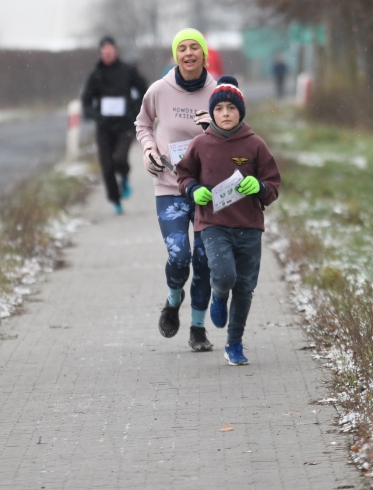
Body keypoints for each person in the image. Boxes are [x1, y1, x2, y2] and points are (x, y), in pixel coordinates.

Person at [176, 76, 281, 365]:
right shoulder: (200, 143)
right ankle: (219, 296)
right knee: (223, 276)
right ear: (212, 112)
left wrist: (259, 187)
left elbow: (273, 184)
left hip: (249, 226)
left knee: (245, 287)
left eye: (231, 108)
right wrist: (193, 190)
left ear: (240, 112)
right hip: (213, 224)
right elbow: (183, 175)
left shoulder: (255, 145)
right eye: (219, 108)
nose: (225, 113)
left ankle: (234, 343)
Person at [135, 28, 217, 351]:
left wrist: (213, 128)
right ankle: (173, 300)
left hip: (207, 191)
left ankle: (198, 328)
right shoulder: (159, 90)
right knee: (180, 256)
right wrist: (148, 150)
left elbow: (236, 130)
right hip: (170, 186)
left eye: (194, 47)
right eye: (182, 48)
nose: (188, 53)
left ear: (204, 54)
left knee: (205, 262)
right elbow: (143, 123)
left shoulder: (217, 92)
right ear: (175, 55)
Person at [82, 36, 148, 215]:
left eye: (110, 50)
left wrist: (133, 110)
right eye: (104, 51)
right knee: (107, 164)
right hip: (104, 126)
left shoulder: (127, 71)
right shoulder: (96, 75)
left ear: (115, 50)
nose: (108, 53)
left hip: (124, 125)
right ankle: (116, 199)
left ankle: (124, 175)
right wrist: (96, 116)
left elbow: (144, 91)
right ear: (100, 53)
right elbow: (86, 101)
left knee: (119, 159)